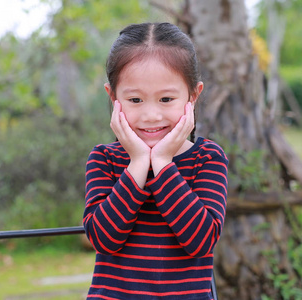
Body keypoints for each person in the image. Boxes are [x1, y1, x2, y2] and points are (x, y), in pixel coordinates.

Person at [83, 22, 228, 299]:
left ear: (193, 96)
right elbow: (103, 239)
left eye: (166, 99)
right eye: (135, 100)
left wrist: (162, 162)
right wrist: (138, 162)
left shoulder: (207, 158)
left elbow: (201, 241)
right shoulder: (104, 159)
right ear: (113, 97)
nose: (151, 115)